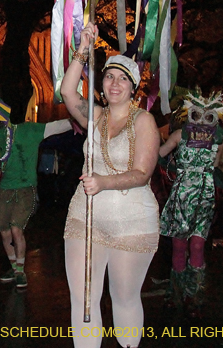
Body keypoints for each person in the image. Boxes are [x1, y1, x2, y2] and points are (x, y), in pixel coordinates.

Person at [59, 22, 160, 348]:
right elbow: (67, 91)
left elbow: (142, 173)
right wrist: (83, 48)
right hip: (84, 219)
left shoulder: (144, 121)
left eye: (123, 79)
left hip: (131, 222)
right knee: (83, 299)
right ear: (101, 84)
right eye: (109, 77)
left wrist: (103, 182)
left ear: (133, 87)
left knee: (124, 298)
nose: (115, 83)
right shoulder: (95, 116)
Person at [159, 90, 223, 315]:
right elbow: (159, 154)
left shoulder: (218, 140)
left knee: (197, 245)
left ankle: (194, 298)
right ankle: (175, 295)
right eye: (197, 115)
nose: (201, 122)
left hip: (204, 198)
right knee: (179, 246)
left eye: (208, 117)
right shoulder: (179, 135)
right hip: (181, 196)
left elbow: (215, 171)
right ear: (189, 114)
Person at [0, 95, 72, 290]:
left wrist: (80, 118)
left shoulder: (28, 130)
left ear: (3, 119)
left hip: (25, 188)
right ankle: (14, 267)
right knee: (4, 232)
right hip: (5, 190)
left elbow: (55, 126)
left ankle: (21, 271)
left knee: (16, 229)